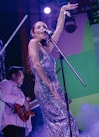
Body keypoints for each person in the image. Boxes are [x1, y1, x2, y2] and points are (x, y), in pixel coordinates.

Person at [28, 3, 80, 137]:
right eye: (39, 27)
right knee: (61, 119)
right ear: (33, 33)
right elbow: (36, 65)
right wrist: (50, 84)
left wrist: (62, 11)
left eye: (44, 26)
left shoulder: (48, 47)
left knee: (67, 119)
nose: (43, 28)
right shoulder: (33, 43)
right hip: (45, 88)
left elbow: (58, 29)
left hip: (55, 87)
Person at [0, 66, 32, 137]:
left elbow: (21, 105)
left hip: (21, 122)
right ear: (13, 75)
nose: (22, 77)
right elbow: (4, 96)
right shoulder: (6, 83)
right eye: (20, 75)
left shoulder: (19, 90)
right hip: (11, 123)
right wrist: (22, 101)